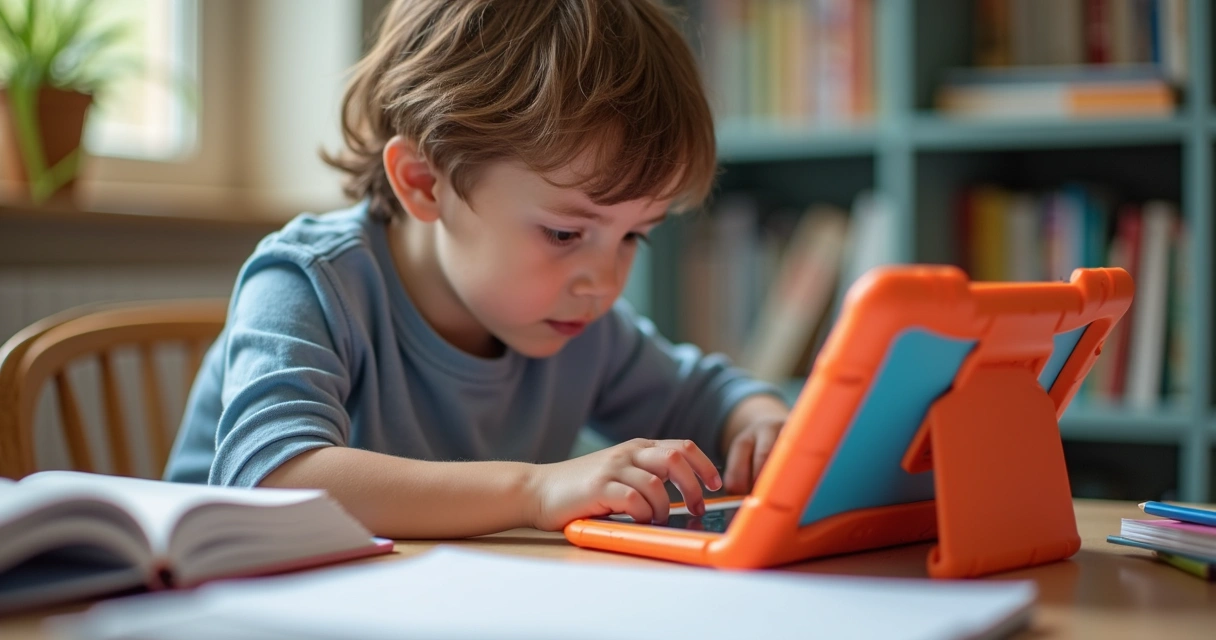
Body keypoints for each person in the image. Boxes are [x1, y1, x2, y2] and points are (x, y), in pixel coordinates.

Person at [164, 0, 789, 539]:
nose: (603, 281)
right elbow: (271, 476)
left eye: (634, 238)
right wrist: (533, 490)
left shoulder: (578, 323)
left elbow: (703, 395)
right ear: (423, 183)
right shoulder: (309, 283)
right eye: (565, 233)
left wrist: (760, 422)